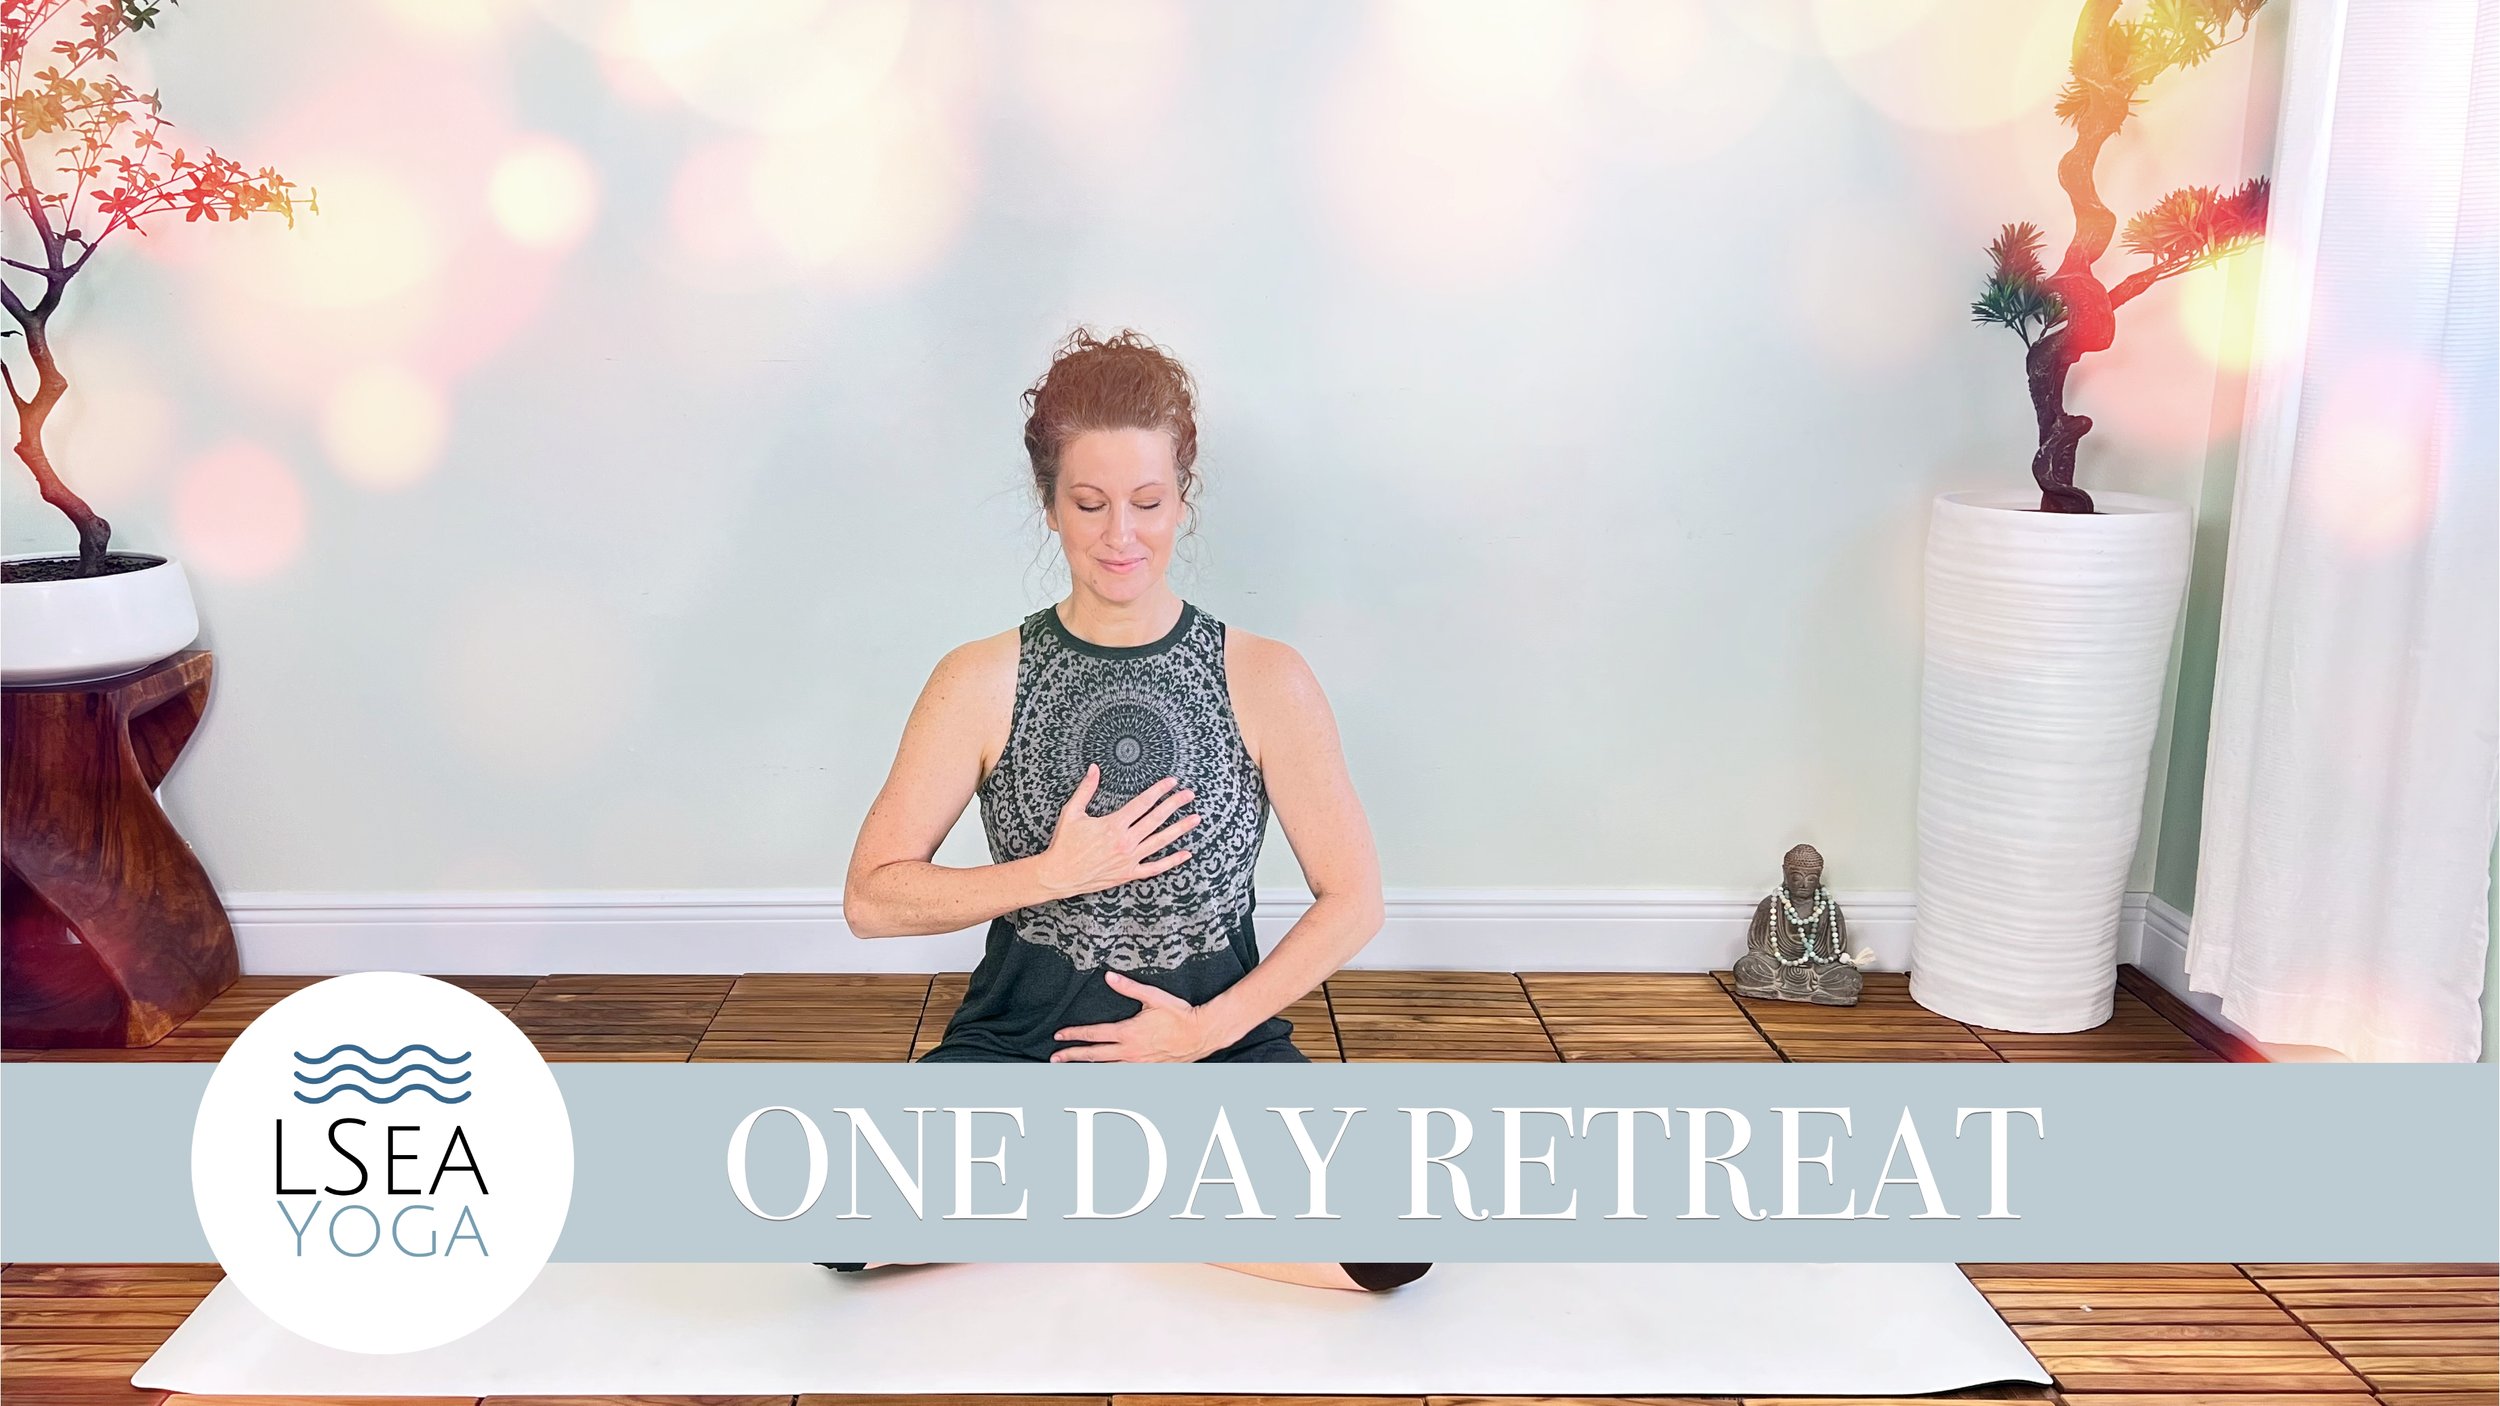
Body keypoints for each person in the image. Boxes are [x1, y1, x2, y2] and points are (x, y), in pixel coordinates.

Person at [830, 328, 1424, 1292]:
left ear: (1183, 498)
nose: (1120, 536)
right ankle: (1139, 1187)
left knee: (1397, 1234)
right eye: (1090, 503)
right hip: (1023, 1060)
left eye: (1147, 503)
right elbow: (872, 899)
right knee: (835, 1213)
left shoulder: (1267, 679)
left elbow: (1353, 899)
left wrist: (1203, 1033)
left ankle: (1089, 1195)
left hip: (1217, 1061)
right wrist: (1049, 875)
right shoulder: (979, 680)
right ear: (1050, 505)